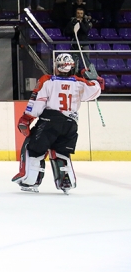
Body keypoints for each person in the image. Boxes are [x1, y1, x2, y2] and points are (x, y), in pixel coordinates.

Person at [13, 53, 103, 193]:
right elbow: (95, 91)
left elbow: (37, 103)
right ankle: (65, 180)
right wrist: (96, 79)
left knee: (34, 148)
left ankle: (31, 180)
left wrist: (26, 118)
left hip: (50, 122)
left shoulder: (47, 80)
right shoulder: (79, 82)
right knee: (61, 152)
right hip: (71, 123)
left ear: (57, 66)